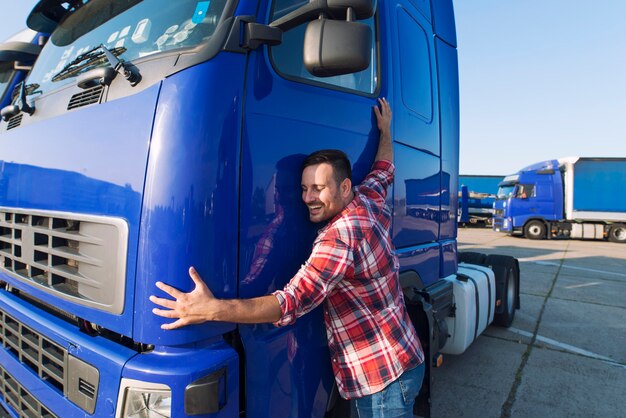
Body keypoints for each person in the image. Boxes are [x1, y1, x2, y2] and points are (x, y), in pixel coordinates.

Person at [150, 98, 425, 417]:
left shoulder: (340, 237)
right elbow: (384, 168)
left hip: (382, 379)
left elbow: (291, 302)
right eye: (304, 188)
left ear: (344, 186)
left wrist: (212, 310)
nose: (308, 198)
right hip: (403, 356)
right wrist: (386, 129)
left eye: (318, 188)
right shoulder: (368, 198)